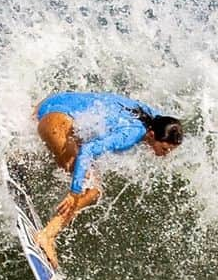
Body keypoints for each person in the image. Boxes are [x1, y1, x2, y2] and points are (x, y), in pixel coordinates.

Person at [33, 90, 183, 267]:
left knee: (76, 155)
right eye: (164, 149)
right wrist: (75, 192)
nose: (164, 155)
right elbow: (87, 150)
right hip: (55, 124)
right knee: (92, 190)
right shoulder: (130, 135)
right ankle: (47, 235)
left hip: (52, 103)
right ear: (151, 135)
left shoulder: (152, 117)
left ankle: (18, 157)